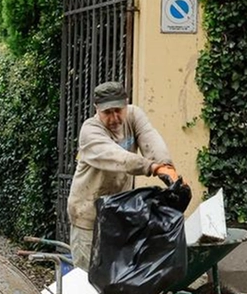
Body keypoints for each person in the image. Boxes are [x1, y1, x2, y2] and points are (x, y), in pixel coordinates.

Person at [66, 81, 178, 271]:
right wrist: (152, 167)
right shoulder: (90, 131)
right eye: (107, 113)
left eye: (118, 110)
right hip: (87, 212)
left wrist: (166, 165)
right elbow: (118, 158)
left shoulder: (134, 115)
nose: (114, 117)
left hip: (116, 211)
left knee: (116, 272)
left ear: (126, 103)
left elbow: (150, 138)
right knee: (86, 277)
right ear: (96, 109)